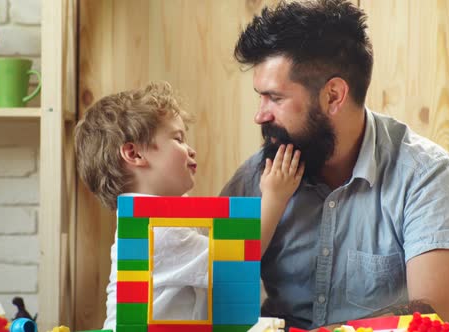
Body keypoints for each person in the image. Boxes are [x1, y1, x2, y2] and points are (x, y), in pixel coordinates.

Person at [220, 0, 449, 330]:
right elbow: (212, 293)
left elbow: (437, 315)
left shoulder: (424, 174)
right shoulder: (255, 179)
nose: (260, 115)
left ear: (333, 96)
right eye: (260, 96)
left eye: (275, 98)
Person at [74, 81, 303, 330]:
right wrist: (274, 197)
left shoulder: (163, 218)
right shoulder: (156, 230)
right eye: (178, 139)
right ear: (134, 154)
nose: (191, 150)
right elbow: (238, 261)